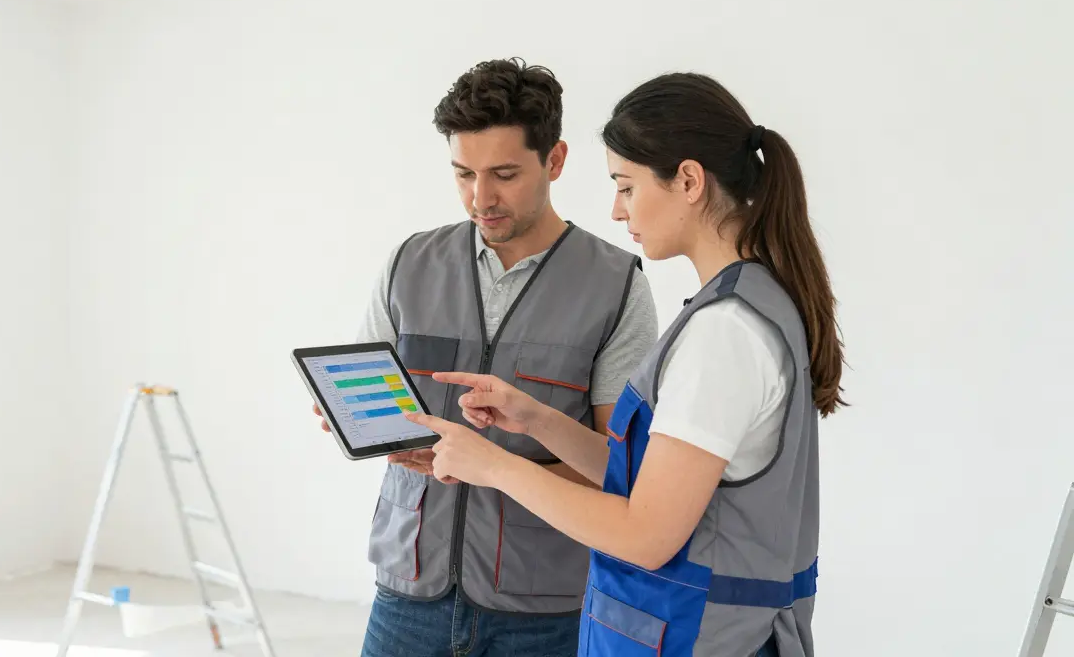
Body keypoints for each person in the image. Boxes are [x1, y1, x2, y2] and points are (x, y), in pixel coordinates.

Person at [405, 72, 846, 657]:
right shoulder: (745, 306)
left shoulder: (724, 334)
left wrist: (495, 467)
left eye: (627, 186)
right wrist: (536, 419)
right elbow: (645, 476)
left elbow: (646, 534)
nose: (616, 211)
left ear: (688, 180)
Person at [316, 58, 659, 657]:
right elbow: (378, 412)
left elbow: (618, 467)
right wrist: (354, 418)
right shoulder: (408, 266)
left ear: (554, 161)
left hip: (543, 609)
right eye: (463, 174)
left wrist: (490, 468)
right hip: (406, 592)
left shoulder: (615, 286)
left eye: (504, 174)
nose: (481, 198)